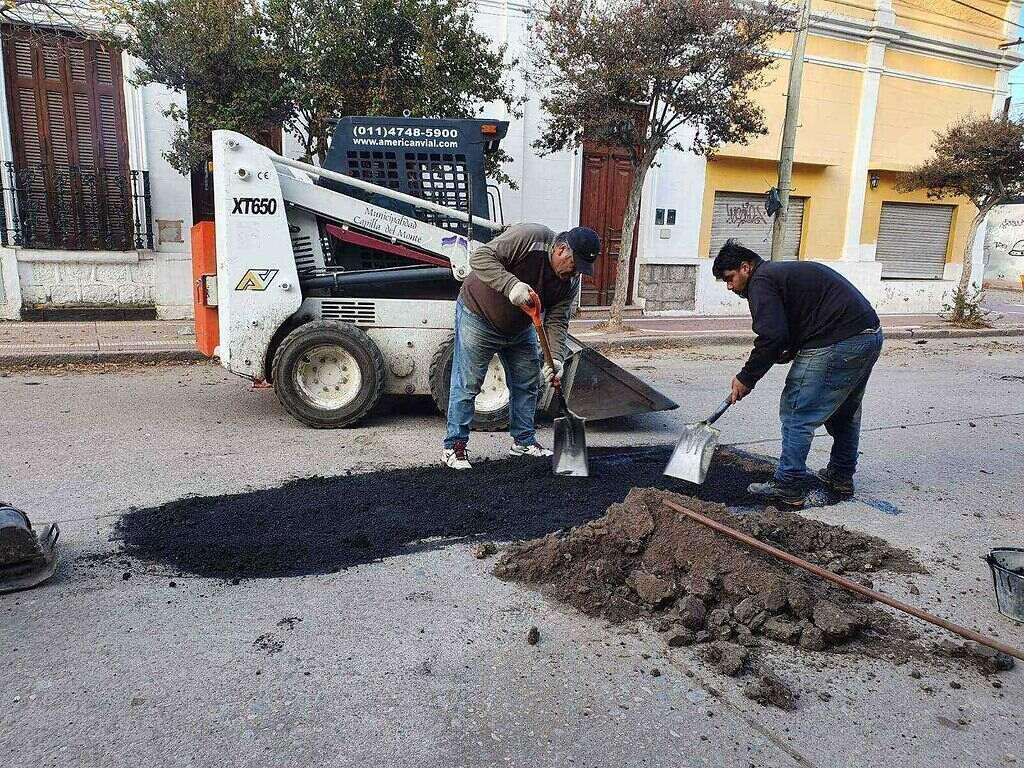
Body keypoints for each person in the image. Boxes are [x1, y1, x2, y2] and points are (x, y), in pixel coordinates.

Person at [713, 239, 883, 507]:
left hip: (837, 341)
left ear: (745, 267)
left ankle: (788, 485)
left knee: (796, 412)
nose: (730, 287)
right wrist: (790, 348)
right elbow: (795, 321)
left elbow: (771, 336)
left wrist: (746, 377)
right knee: (844, 411)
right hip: (867, 337)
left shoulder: (762, 282)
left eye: (730, 278)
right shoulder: (778, 275)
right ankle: (840, 475)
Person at [442, 224, 601, 469]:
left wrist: (556, 358)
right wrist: (511, 285)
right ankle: (454, 447)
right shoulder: (529, 237)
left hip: (521, 327)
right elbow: (480, 257)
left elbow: (558, 320)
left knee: (528, 382)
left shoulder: (570, 283)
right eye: (574, 265)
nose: (576, 273)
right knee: (468, 383)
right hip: (478, 315)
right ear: (560, 250)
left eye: (581, 269)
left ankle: (523, 442)